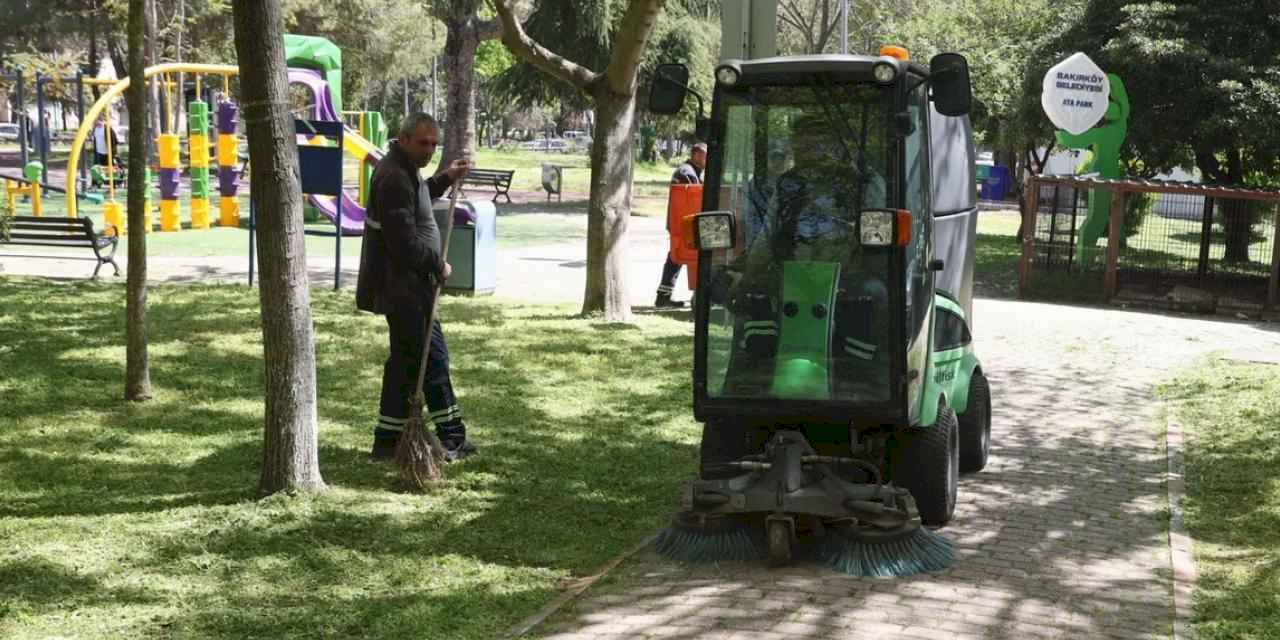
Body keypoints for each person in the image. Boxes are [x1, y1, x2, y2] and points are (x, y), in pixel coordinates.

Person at [356, 112, 476, 462]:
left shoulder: (405, 170)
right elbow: (403, 241)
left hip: (410, 286)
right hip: (404, 288)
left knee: (405, 364)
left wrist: (446, 177)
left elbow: (420, 196)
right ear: (403, 138)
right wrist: (438, 264)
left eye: (434, 144)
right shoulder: (394, 176)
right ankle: (452, 438)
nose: (429, 149)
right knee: (433, 359)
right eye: (423, 143)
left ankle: (386, 441)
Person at [653, 142, 707, 308]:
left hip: (682, 223)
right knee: (681, 256)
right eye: (706, 155)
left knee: (676, 257)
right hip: (685, 224)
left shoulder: (690, 171)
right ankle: (666, 297)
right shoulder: (687, 173)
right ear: (696, 155)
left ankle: (663, 296)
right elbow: (694, 199)